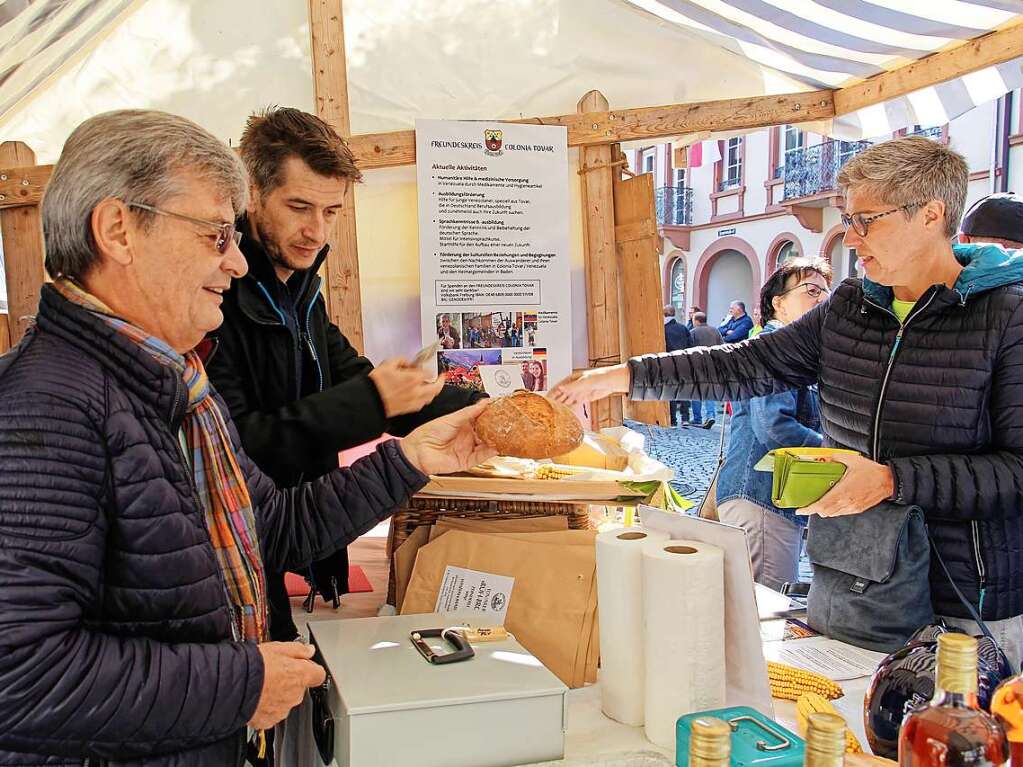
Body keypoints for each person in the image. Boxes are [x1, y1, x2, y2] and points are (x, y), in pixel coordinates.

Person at [0, 109, 496, 766]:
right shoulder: (42, 408)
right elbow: (20, 677)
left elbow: (272, 523)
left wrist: (410, 457)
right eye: (215, 235)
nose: (236, 262)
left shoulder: (173, 379)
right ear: (119, 229)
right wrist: (241, 684)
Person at [552, 135, 1023, 668]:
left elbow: (1017, 472)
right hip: (853, 577)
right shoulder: (851, 305)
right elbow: (746, 365)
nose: (852, 235)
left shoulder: (1007, 316)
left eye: (868, 219)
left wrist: (892, 480)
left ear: (931, 214)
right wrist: (622, 376)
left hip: (963, 603)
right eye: (849, 218)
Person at [208, 107, 485, 642]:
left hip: (293, 529)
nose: (316, 230)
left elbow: (352, 374)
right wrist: (374, 401)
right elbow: (237, 442)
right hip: (238, 546)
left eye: (331, 211)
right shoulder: (215, 296)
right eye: (299, 207)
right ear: (250, 192)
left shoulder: (301, 288)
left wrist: (481, 407)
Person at [716, 258, 831, 590]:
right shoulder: (778, 347)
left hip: (764, 498)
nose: (822, 299)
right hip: (762, 496)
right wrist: (835, 454)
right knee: (763, 614)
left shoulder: (791, 351)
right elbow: (773, 426)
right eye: (811, 291)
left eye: (826, 292)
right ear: (778, 302)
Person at [687, 312, 721, 429]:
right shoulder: (715, 331)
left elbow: (688, 349)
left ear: (696, 321)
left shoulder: (693, 332)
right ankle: (711, 415)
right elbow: (722, 346)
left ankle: (697, 418)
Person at [663, 304, 692, 426]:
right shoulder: (683, 328)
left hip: (669, 362)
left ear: (664, 314)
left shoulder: (663, 329)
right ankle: (685, 418)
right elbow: (691, 344)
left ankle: (673, 419)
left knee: (671, 391)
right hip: (684, 361)